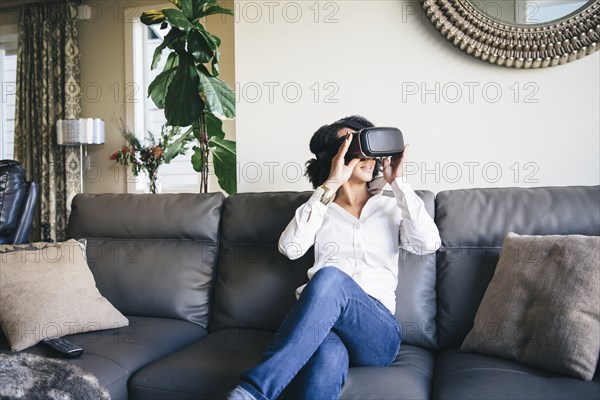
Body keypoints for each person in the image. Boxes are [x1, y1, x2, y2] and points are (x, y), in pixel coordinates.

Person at [228, 115, 441, 400]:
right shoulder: (318, 209)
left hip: (376, 334)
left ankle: (253, 391)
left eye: (368, 144)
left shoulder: (391, 208)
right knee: (326, 360)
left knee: (330, 277)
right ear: (335, 157)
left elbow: (428, 243)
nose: (366, 156)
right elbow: (290, 248)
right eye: (354, 145)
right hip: (322, 327)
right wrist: (329, 186)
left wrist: (398, 182)